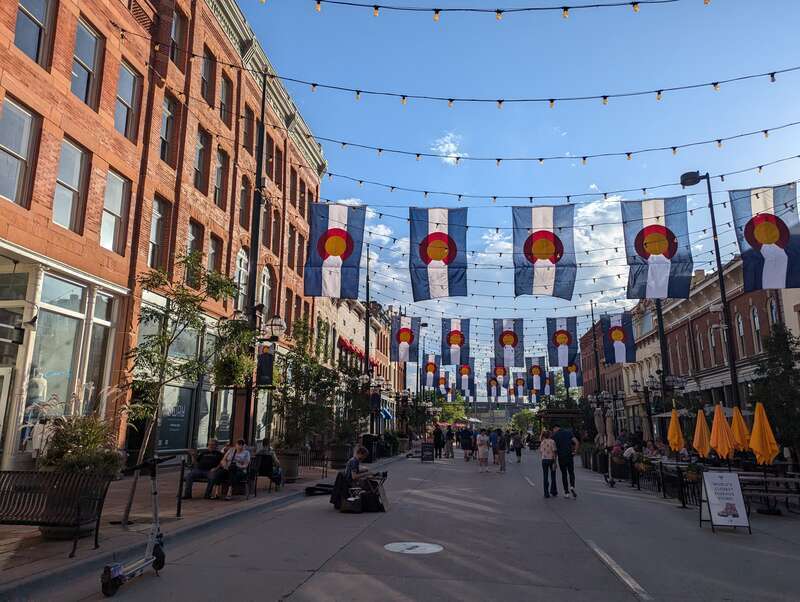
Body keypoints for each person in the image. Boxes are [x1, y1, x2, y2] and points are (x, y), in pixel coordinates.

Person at [552, 425, 579, 499]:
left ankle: (566, 492)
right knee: (571, 472)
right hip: (569, 455)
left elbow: (554, 450)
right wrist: (575, 451)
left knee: (564, 474)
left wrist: (554, 462)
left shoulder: (555, 436)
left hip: (561, 457)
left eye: (553, 430)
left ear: (555, 428)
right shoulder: (569, 433)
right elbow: (576, 442)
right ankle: (572, 486)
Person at [539, 430, 558, 498]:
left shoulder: (542, 442)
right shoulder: (552, 441)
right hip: (551, 460)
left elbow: (540, 452)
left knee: (545, 476)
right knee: (553, 476)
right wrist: (555, 462)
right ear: (550, 435)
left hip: (544, 460)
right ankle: (553, 491)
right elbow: (555, 451)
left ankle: (546, 493)